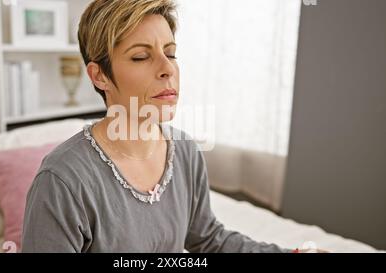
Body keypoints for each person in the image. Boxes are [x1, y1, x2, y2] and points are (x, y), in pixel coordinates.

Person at [21, 0, 292, 253]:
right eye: (141, 57)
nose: (168, 69)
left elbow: (208, 238)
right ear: (100, 75)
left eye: (171, 54)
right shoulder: (61, 181)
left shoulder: (186, 152)